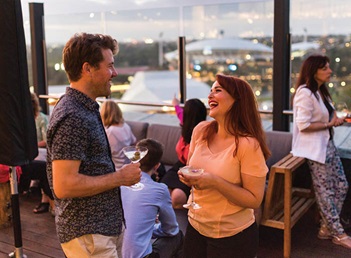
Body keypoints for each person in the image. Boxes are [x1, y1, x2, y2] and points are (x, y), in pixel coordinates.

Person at [46, 33, 141, 257]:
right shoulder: (73, 115)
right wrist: (120, 177)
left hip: (101, 229)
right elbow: (64, 185)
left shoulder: (83, 108)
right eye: (110, 66)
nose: (115, 73)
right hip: (89, 234)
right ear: (87, 68)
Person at [178, 74, 270, 258]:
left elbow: (254, 200)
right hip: (196, 226)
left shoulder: (248, 145)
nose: (210, 95)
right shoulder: (201, 130)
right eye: (210, 90)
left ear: (238, 101)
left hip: (232, 236)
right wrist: (188, 178)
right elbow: (192, 168)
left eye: (218, 90)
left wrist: (214, 182)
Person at [291, 54, 351, 249]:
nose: (330, 71)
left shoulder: (320, 92)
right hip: (315, 149)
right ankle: (337, 233)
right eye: (325, 68)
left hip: (328, 145)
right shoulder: (304, 93)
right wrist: (328, 124)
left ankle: (326, 227)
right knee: (324, 191)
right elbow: (303, 124)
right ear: (313, 71)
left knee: (341, 185)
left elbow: (328, 116)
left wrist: (337, 119)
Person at [121, 138, 183, 258]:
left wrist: (145, 225)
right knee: (178, 236)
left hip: (113, 252)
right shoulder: (159, 190)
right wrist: (149, 228)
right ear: (157, 166)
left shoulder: (116, 182)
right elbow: (171, 229)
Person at [161, 96, 207, 209]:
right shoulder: (185, 125)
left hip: (192, 170)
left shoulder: (205, 133)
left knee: (176, 197)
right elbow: (179, 113)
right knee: (162, 192)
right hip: (179, 166)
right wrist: (175, 105)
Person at [100, 100, 136, 169]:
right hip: (128, 166)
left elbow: (102, 154)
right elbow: (134, 142)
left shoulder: (109, 132)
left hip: (115, 169)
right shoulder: (125, 126)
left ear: (104, 113)